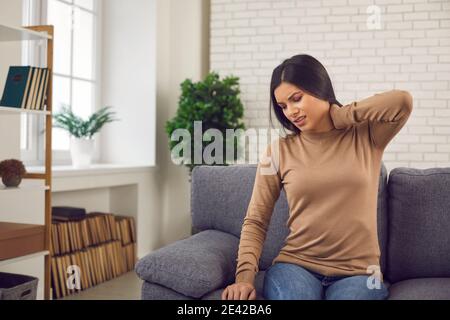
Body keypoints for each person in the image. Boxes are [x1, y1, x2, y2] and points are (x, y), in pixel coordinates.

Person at [221, 54, 413, 300]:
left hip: (360, 272)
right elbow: (256, 220)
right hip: (295, 266)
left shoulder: (366, 136)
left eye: (296, 99)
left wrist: (341, 115)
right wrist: (244, 279)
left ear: (320, 88)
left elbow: (402, 102)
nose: (291, 112)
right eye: (283, 106)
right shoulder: (279, 151)